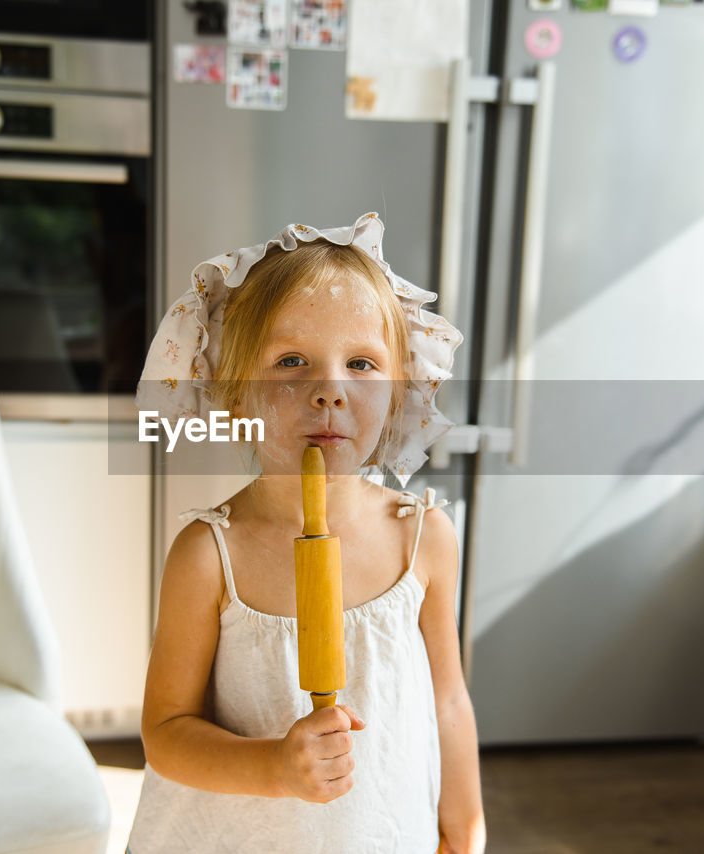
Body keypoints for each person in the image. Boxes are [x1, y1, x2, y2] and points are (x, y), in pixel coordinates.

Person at [128, 213, 485, 853]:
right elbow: (166, 732)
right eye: (291, 361)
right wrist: (274, 767)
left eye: (361, 363)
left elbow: (448, 702)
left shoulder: (423, 537)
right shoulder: (210, 555)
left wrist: (464, 827)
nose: (329, 390)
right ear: (234, 394)